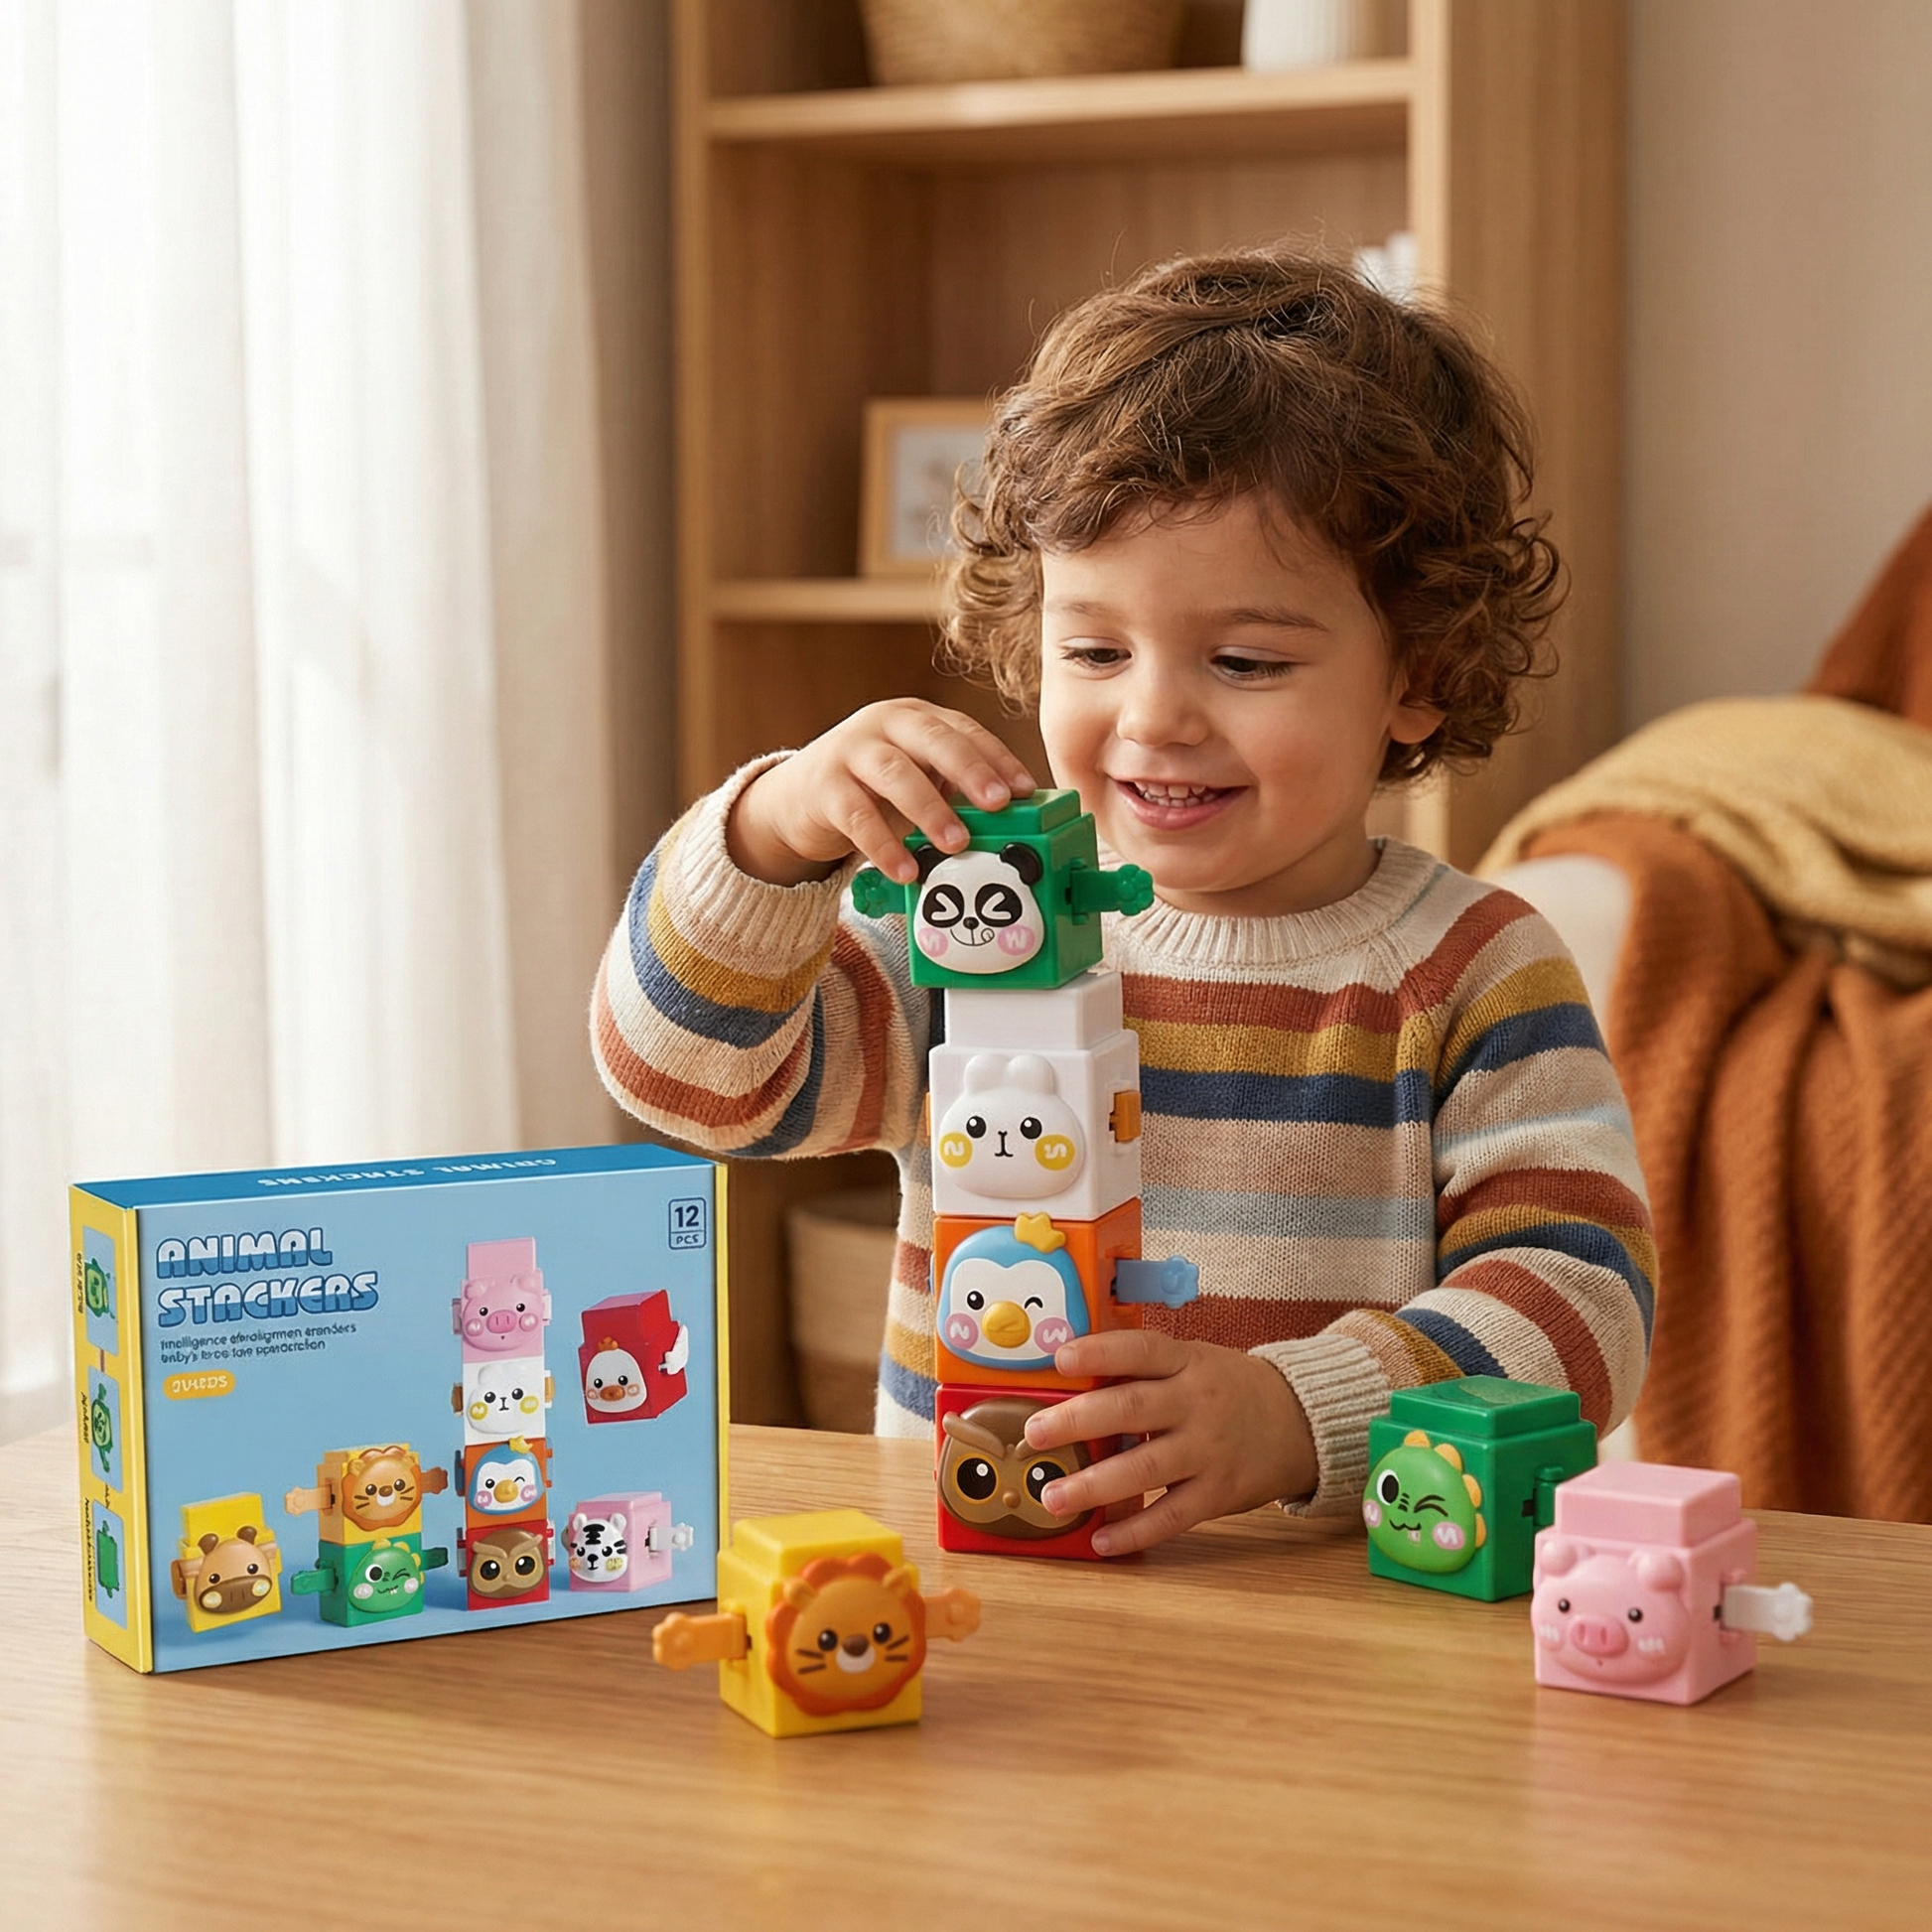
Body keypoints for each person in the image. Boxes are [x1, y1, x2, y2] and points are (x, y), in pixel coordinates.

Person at [592, 246, 1655, 1555]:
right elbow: (687, 1082)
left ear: (1417, 677)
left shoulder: (1475, 966)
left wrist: (1297, 1413)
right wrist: (768, 833)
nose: (1153, 715)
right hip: (989, 1591)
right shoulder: (972, 932)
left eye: (1244, 660)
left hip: (1337, 1614)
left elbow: (1583, 1301)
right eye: (1095, 649)